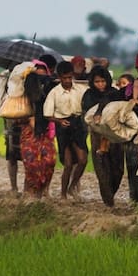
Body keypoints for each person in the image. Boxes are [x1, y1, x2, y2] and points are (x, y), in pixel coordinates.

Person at [84, 65, 126, 207]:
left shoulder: (115, 93)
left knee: (118, 169)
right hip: (97, 136)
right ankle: (108, 202)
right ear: (92, 82)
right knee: (102, 170)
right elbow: (87, 116)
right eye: (97, 82)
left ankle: (111, 195)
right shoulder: (89, 95)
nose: (101, 85)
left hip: (115, 136)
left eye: (103, 81)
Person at [44, 61, 87, 198]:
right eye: (65, 78)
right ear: (59, 77)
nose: (68, 81)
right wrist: (59, 121)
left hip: (78, 125)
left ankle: (72, 185)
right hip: (63, 127)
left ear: (73, 76)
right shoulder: (54, 93)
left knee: (82, 160)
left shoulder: (81, 89)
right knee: (68, 164)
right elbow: (48, 114)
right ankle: (63, 193)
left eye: (70, 77)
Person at [19, 60, 57, 199]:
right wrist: (30, 118)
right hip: (29, 134)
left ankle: (41, 191)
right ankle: (30, 194)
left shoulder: (47, 92)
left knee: (49, 161)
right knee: (31, 164)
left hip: (44, 131)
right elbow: (18, 117)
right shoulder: (22, 97)